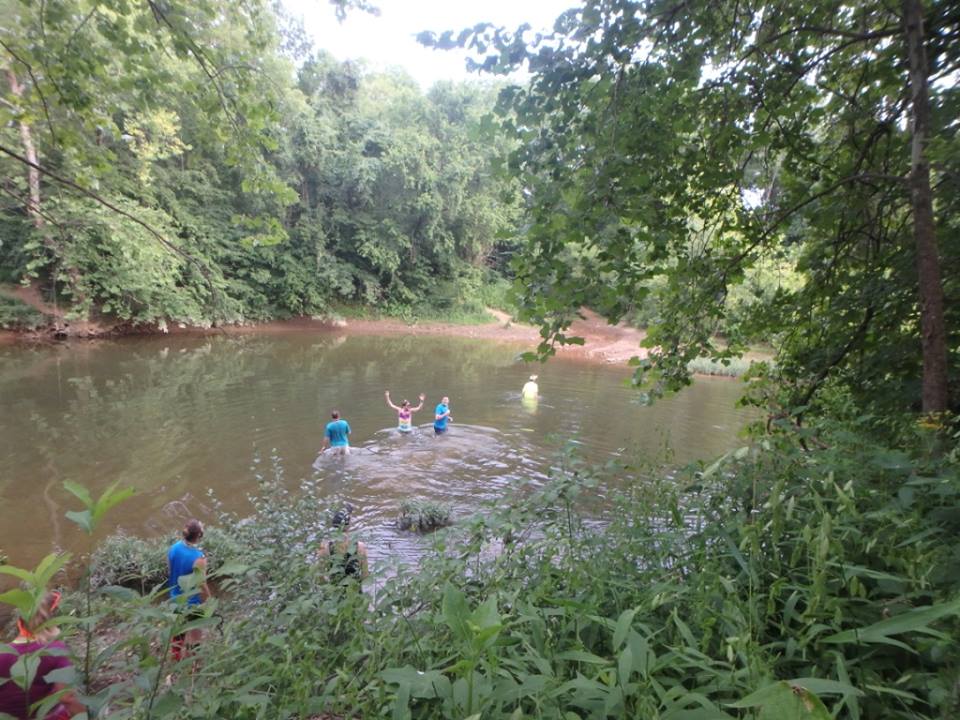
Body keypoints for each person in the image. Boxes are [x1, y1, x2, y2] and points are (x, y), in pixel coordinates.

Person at [0, 590, 85, 719]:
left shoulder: (3, 652)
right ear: (52, 621)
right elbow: (67, 697)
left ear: (20, 622)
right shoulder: (56, 650)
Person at [167, 519, 211, 662]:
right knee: (195, 635)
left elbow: (170, 570)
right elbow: (201, 584)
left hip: (175, 597)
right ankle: (194, 665)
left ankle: (176, 657)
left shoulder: (174, 548)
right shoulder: (199, 558)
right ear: (199, 535)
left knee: (179, 630)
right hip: (192, 602)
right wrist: (210, 600)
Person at [317, 506, 368, 585]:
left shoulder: (324, 547)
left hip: (334, 590)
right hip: (354, 590)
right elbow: (365, 576)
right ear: (349, 525)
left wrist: (330, 587)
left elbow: (320, 577)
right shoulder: (360, 547)